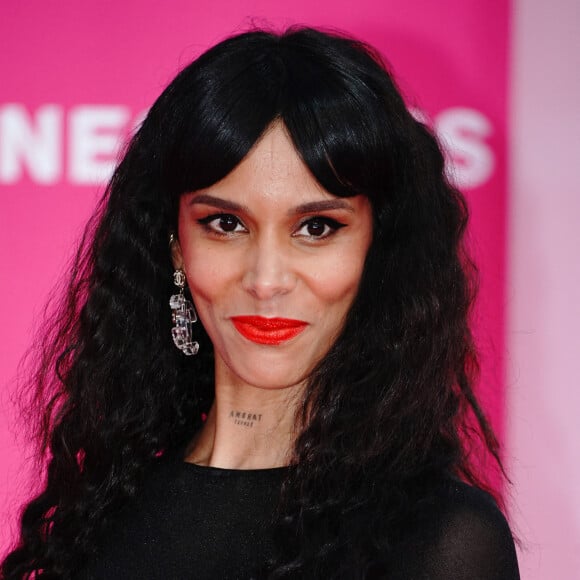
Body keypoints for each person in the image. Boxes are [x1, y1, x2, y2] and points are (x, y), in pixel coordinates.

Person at [1, 27, 520, 579]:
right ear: (175, 244)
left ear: (376, 248)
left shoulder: (442, 541)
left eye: (317, 227)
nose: (266, 280)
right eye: (225, 224)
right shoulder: (97, 520)